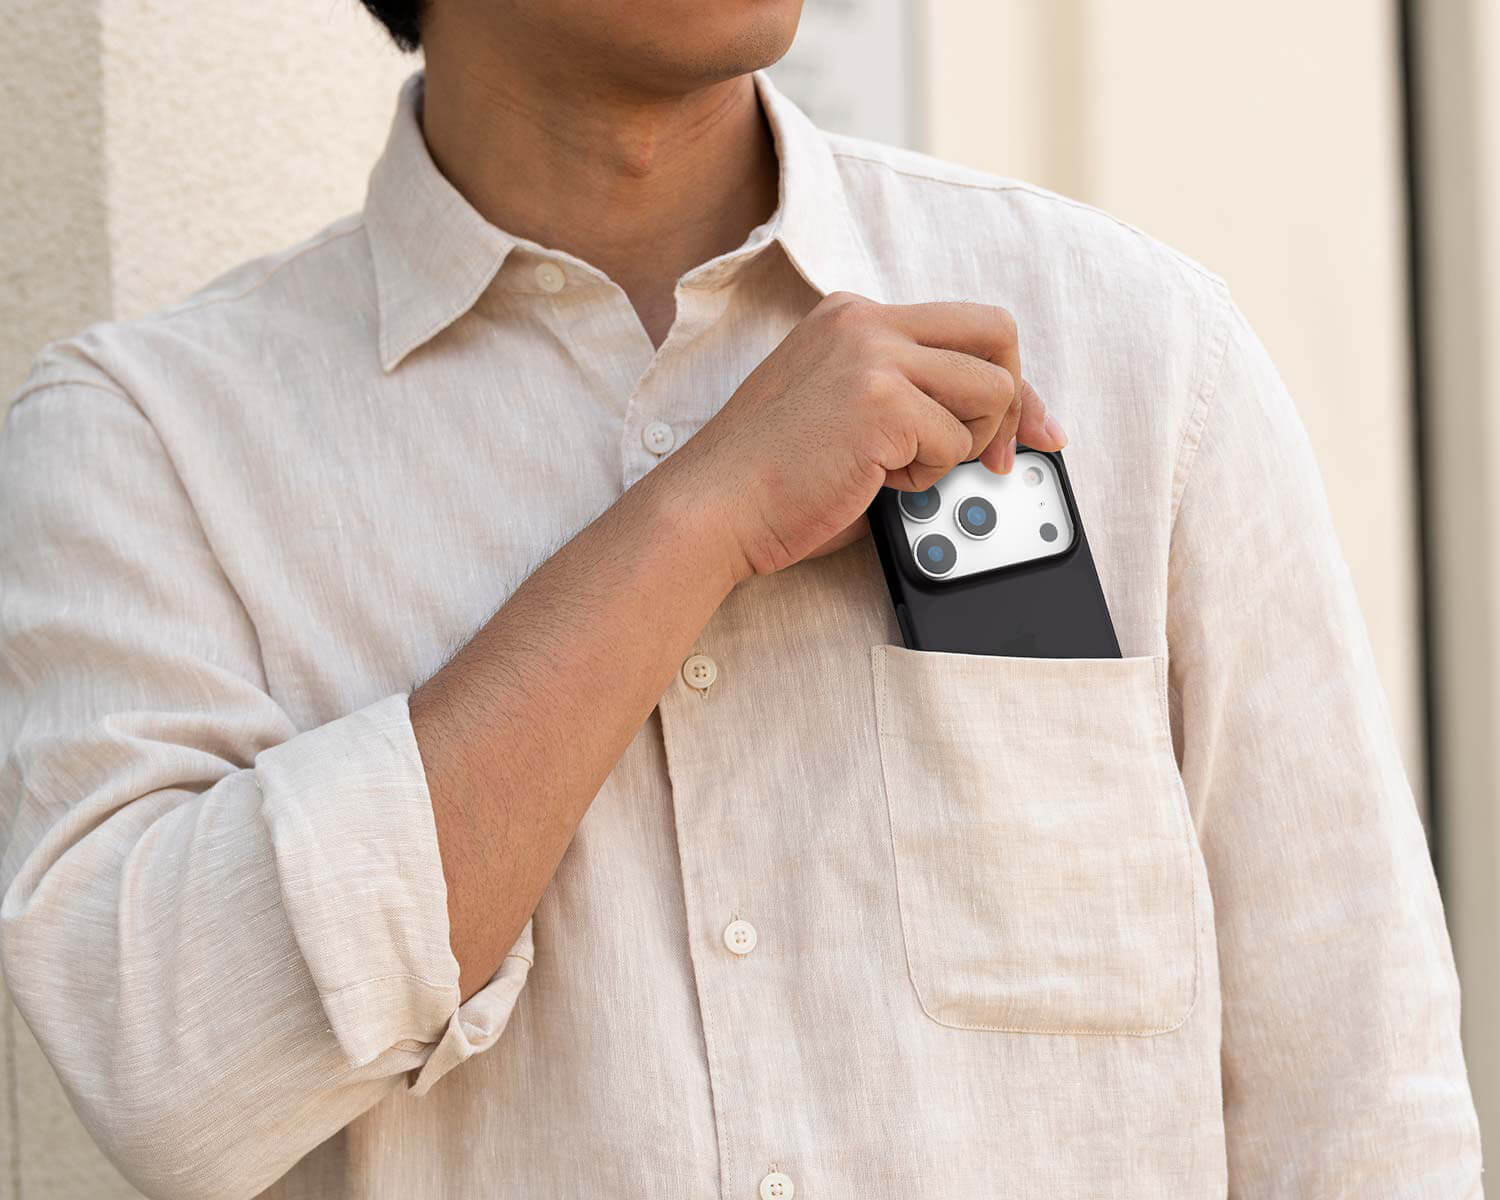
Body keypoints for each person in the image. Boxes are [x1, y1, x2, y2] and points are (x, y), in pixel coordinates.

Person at [0, 0, 1481, 1196]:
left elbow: (1361, 1099)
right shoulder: (152, 447)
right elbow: (175, 1084)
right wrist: (695, 520)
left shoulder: (1138, 350)